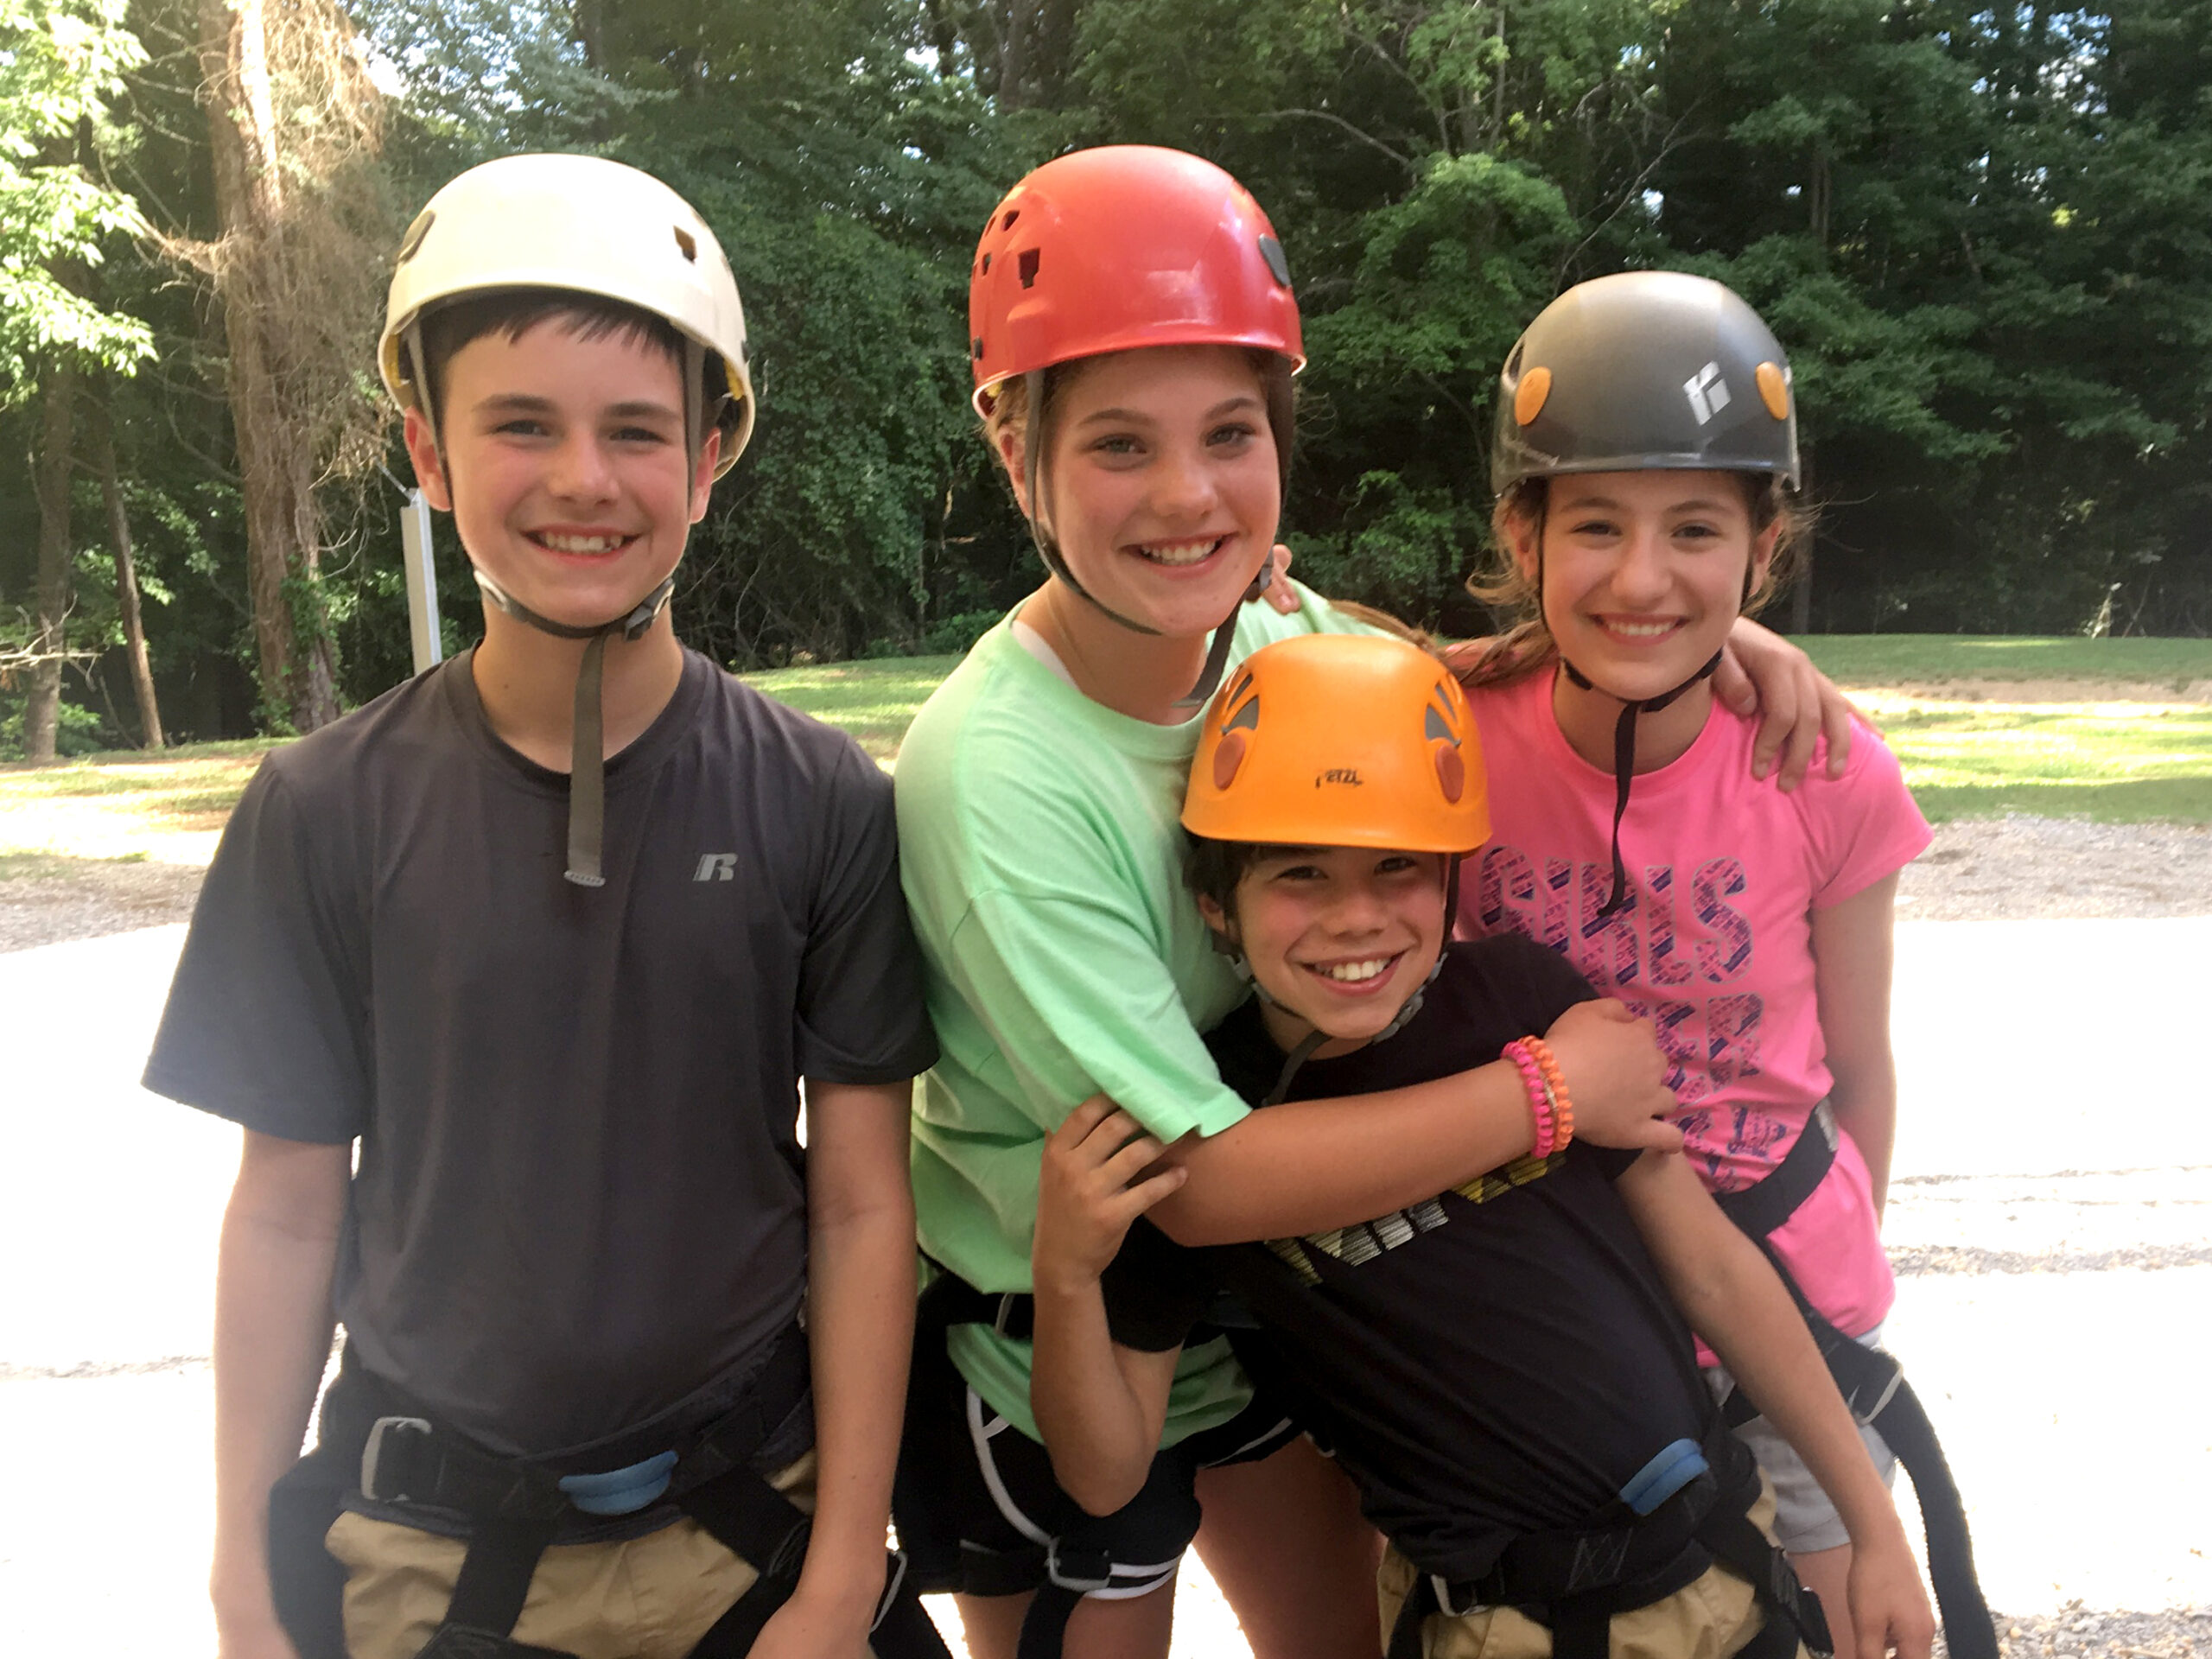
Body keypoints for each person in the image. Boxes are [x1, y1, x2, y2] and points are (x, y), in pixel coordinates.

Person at [890, 144, 1862, 1659]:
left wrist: (1701, 657)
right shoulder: (996, 776)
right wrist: (1550, 1093)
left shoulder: (1272, 634)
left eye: (1229, 433)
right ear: (1016, 456)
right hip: (1071, 1344)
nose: (1188, 494)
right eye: (1120, 448)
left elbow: (1433, 686)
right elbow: (1190, 1185)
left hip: (1287, 1309)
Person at [143, 154, 944, 1659]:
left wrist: (842, 1581)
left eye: (637, 432)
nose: (583, 478)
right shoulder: (321, 811)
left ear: (710, 459)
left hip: (749, 1528)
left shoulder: (823, 804)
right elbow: (285, 1210)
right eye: (521, 425)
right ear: (428, 453)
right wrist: (244, 1574)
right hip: (423, 1555)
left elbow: (857, 1206)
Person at [1028, 630, 1937, 1659]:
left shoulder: (1525, 999)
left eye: (1397, 869)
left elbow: (1715, 1270)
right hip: (1491, 1627)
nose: (1356, 919)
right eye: (1300, 876)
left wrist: (1874, 1525)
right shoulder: (1207, 1123)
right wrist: (1064, 1271)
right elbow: (1103, 1474)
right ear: (1215, 908)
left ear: (1454, 876)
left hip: (1720, 1581)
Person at [1451, 271, 1992, 1659]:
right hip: (1570, 1312)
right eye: (1595, 528)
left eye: (1696, 530)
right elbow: (1274, 638)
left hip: (1787, 1310)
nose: (1642, 579)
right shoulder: (1447, 730)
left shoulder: (1822, 766)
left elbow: (1861, 1065)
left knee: (1833, 1626)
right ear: (1524, 539)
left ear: (1764, 548)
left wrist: (1833, 1279)